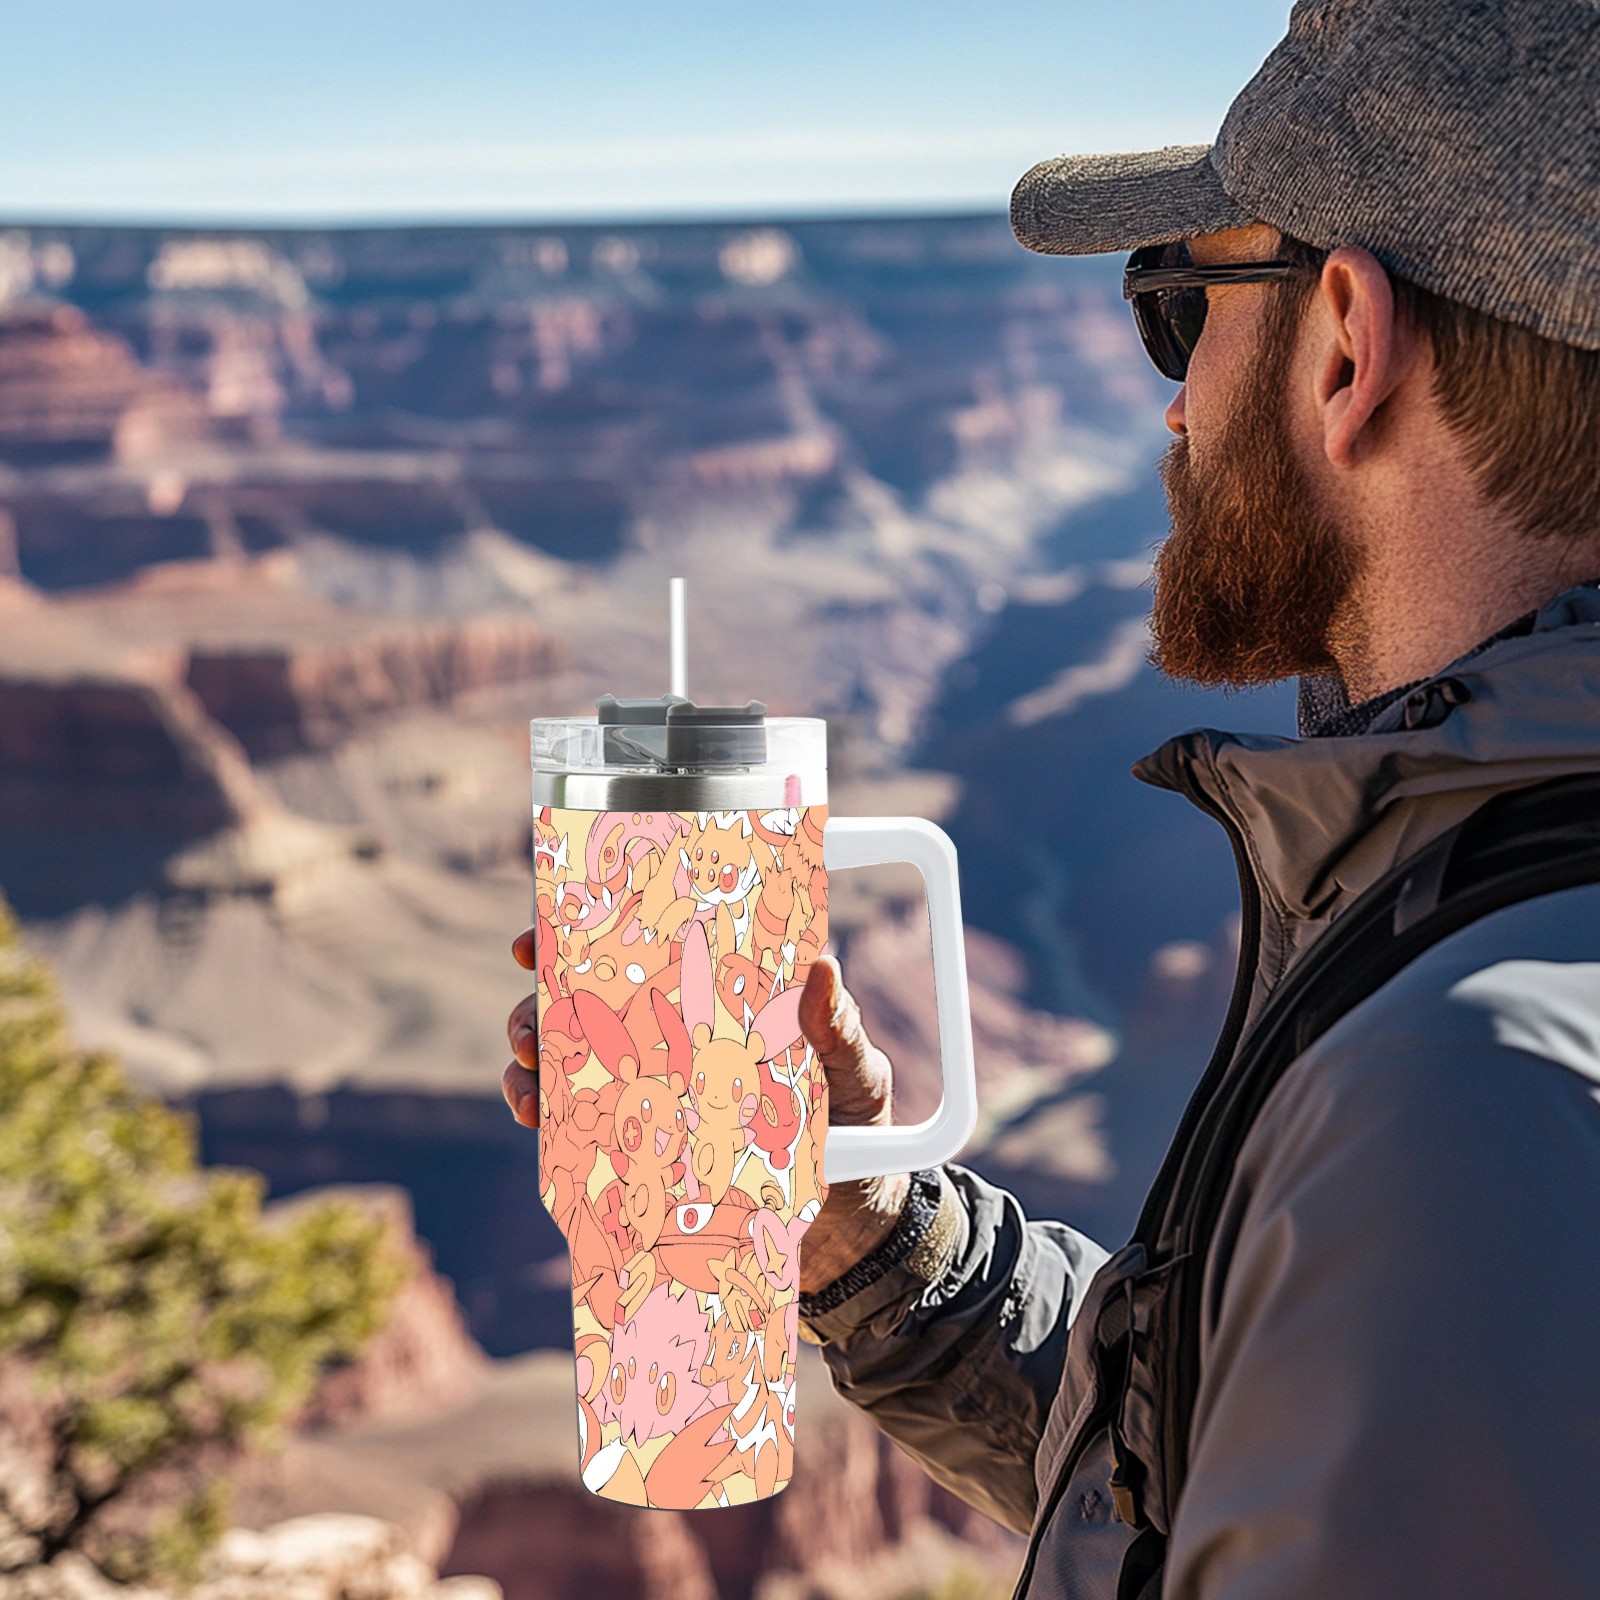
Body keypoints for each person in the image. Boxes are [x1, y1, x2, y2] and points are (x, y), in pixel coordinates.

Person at [504, 0, 1600, 1591]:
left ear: (1347, 344)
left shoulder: (1460, 1104)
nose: (1173, 402)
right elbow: (1235, 1469)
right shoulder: (1491, 966)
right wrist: (861, 1225)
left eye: (1181, 305)